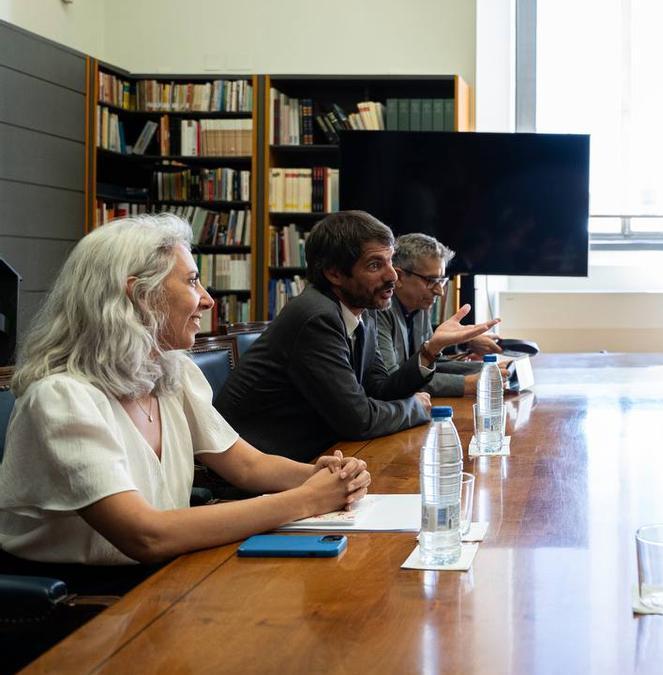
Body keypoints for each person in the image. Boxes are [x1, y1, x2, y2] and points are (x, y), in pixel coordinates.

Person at [0, 214, 370, 580]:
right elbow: (145, 535)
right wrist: (308, 498)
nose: (208, 300)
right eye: (193, 281)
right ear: (139, 294)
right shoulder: (61, 399)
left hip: (166, 575)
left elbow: (247, 467)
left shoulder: (172, 371)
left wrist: (328, 478)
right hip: (86, 606)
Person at [216, 211, 498, 462]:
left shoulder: (364, 311)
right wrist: (416, 408)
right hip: (262, 469)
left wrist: (429, 351)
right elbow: (358, 419)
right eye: (376, 265)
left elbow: (380, 387)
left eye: (390, 262)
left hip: (320, 454)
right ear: (335, 273)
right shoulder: (316, 317)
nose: (393, 277)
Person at [376, 233, 508, 397]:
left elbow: (429, 365)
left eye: (441, 281)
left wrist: (490, 369)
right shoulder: (377, 311)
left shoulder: (420, 304)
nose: (439, 291)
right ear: (399, 277)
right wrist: (468, 384)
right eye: (431, 280)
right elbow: (395, 381)